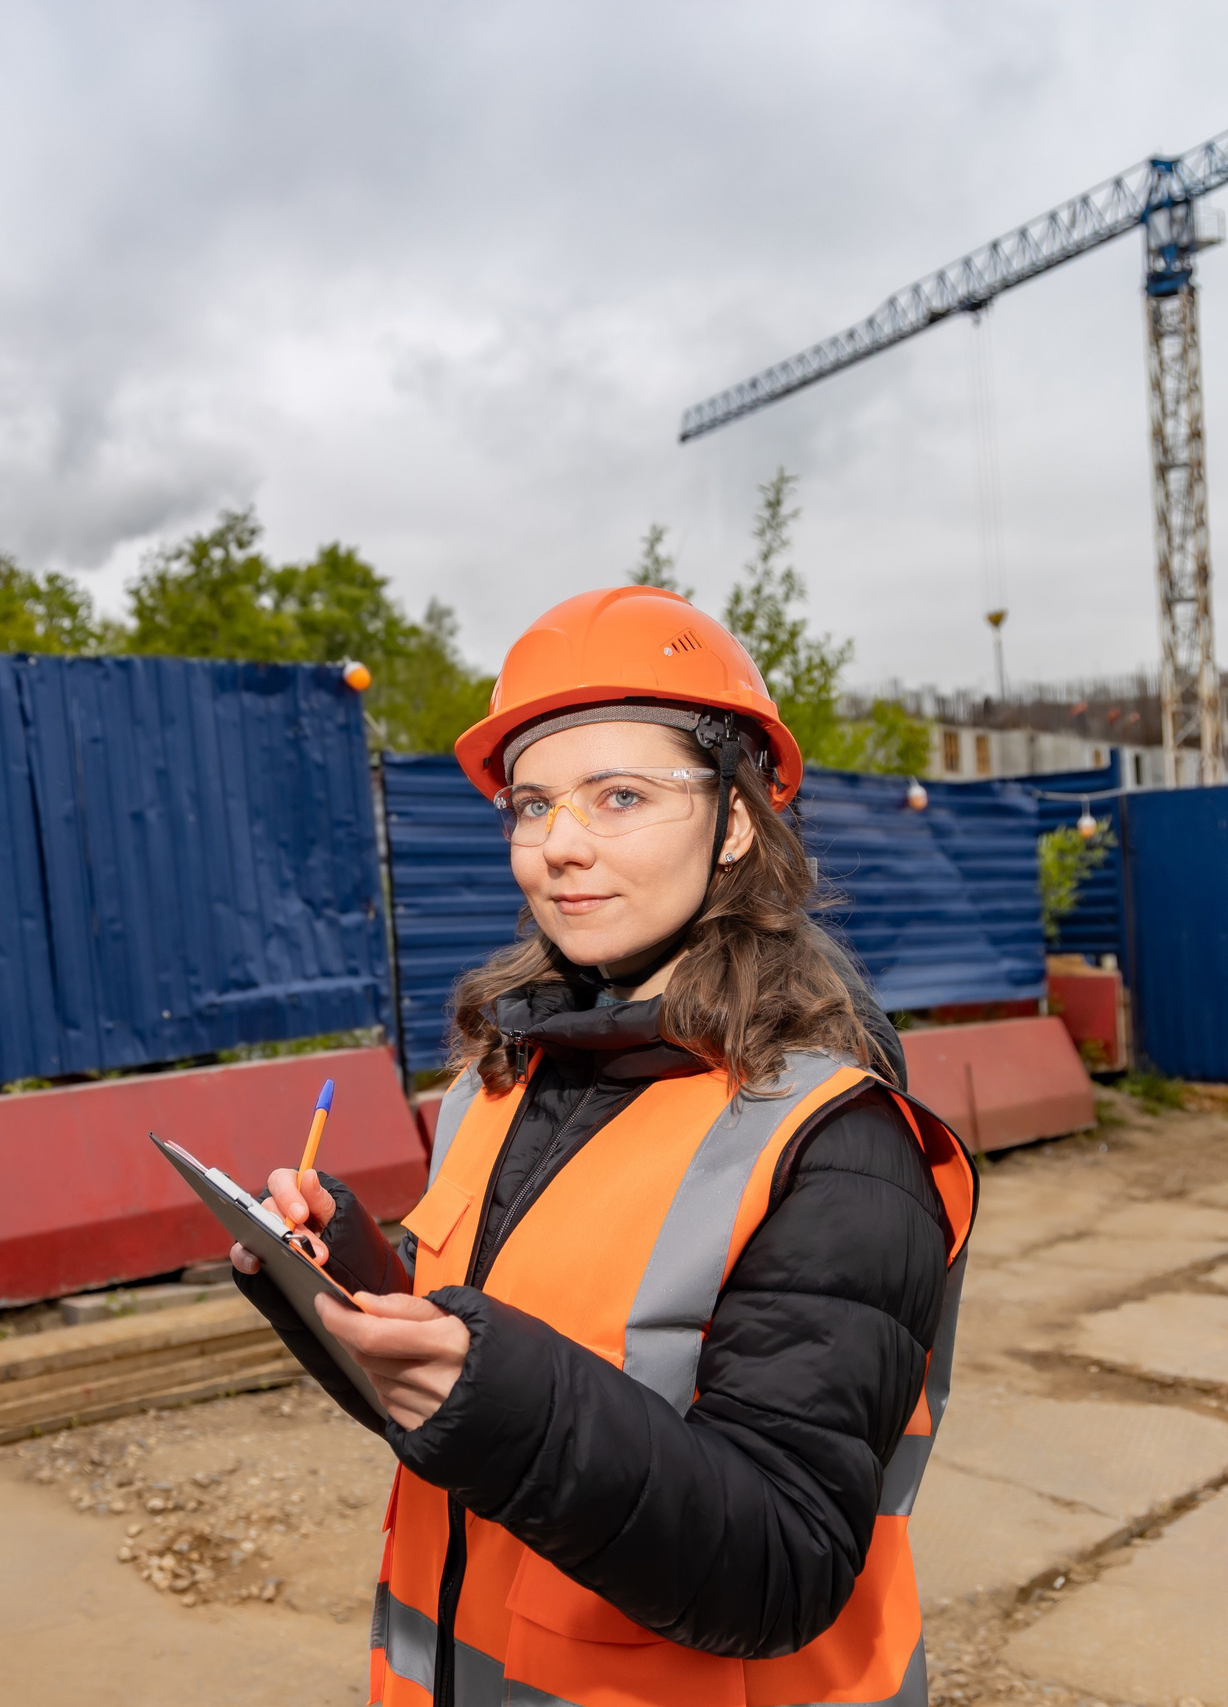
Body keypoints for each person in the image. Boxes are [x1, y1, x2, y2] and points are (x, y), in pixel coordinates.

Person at [232, 585, 977, 1707]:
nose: (556, 848)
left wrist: (498, 1389)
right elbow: (456, 1402)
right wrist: (334, 1283)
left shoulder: (839, 1145)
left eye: (618, 796)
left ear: (734, 822)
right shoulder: (502, 1082)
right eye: (531, 805)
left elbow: (780, 1564)